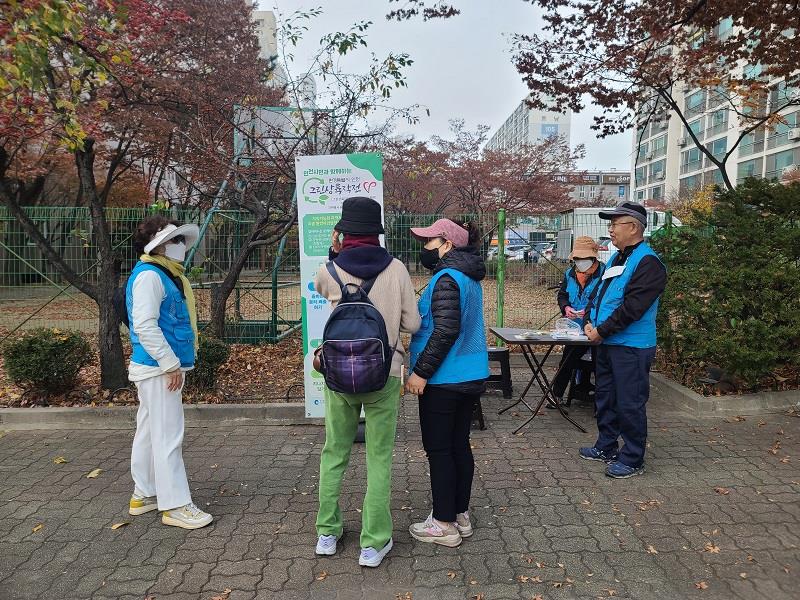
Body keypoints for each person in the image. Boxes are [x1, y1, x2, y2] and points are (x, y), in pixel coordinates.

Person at [313, 197, 421, 568]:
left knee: (334, 453)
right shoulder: (396, 269)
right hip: (385, 374)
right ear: (377, 232)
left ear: (343, 232)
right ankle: (373, 544)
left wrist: (334, 250)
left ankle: (327, 534)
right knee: (379, 458)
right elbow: (413, 325)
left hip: (338, 375)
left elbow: (320, 289)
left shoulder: (329, 270)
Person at [406, 218, 490, 548]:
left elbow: (445, 331)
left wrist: (421, 372)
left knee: (440, 450)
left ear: (447, 245)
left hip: (444, 378)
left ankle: (443, 523)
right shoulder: (469, 277)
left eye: (429, 241)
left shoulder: (446, 278)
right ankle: (460, 514)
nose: (424, 248)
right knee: (458, 446)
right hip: (469, 374)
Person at [126, 216, 213, 529]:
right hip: (159, 370)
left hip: (154, 368)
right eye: (175, 240)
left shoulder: (161, 274)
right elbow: (145, 325)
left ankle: (145, 493)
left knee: (150, 432)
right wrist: (170, 364)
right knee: (168, 437)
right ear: (158, 245)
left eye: (180, 240)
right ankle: (175, 505)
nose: (181, 246)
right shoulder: (151, 276)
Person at [581, 202, 667, 479]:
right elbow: (598, 295)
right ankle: (606, 445)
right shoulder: (618, 259)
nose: (610, 229)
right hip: (607, 343)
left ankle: (632, 457)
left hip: (631, 346)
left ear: (632, 226)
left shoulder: (649, 263)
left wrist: (602, 331)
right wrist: (588, 321)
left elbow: (632, 307)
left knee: (629, 402)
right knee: (605, 397)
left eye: (615, 223)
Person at [549, 236, 606, 406]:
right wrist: (566, 308)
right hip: (574, 330)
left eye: (584, 259)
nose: (580, 262)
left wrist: (588, 312)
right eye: (577, 259)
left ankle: (602, 403)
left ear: (593, 258)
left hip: (598, 328)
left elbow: (604, 300)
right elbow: (563, 295)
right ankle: (556, 396)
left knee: (600, 365)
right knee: (567, 361)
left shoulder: (605, 274)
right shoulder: (570, 273)